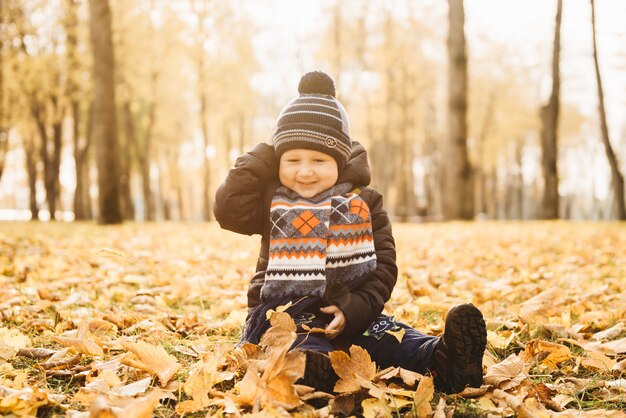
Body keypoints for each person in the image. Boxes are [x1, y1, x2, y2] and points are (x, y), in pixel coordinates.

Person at [214, 70, 487, 394]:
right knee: (295, 342)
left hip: (352, 310)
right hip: (284, 315)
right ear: (277, 161)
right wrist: (266, 149)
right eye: (292, 159)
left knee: (392, 336)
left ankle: (446, 361)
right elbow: (228, 209)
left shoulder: (363, 202)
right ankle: (313, 370)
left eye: (318, 160)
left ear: (340, 161)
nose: (304, 171)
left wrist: (355, 308)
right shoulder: (272, 198)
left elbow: (383, 266)